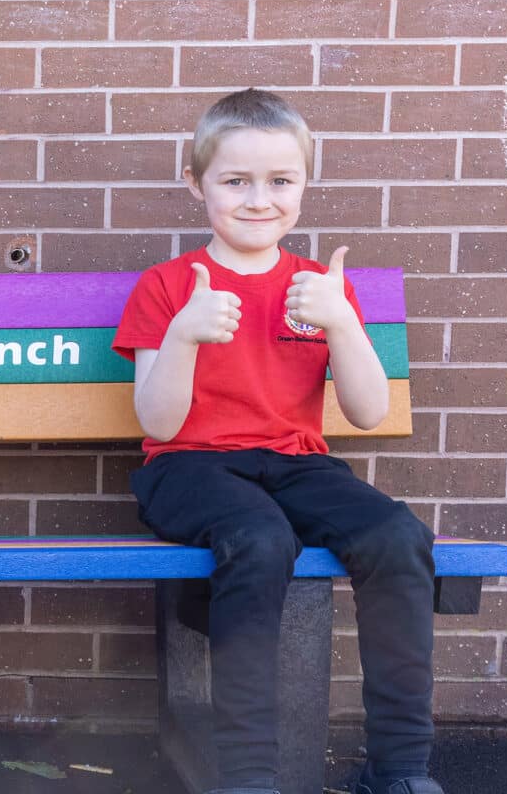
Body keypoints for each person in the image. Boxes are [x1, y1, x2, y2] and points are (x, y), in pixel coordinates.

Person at [112, 89, 441, 794]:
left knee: (397, 535)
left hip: (294, 463)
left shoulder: (320, 289)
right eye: (235, 180)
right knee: (260, 541)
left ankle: (400, 771)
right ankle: (249, 779)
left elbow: (366, 409)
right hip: (189, 466)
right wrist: (184, 334)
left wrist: (343, 325)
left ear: (304, 186)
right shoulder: (169, 287)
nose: (259, 199)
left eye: (280, 180)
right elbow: (160, 424)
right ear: (196, 183)